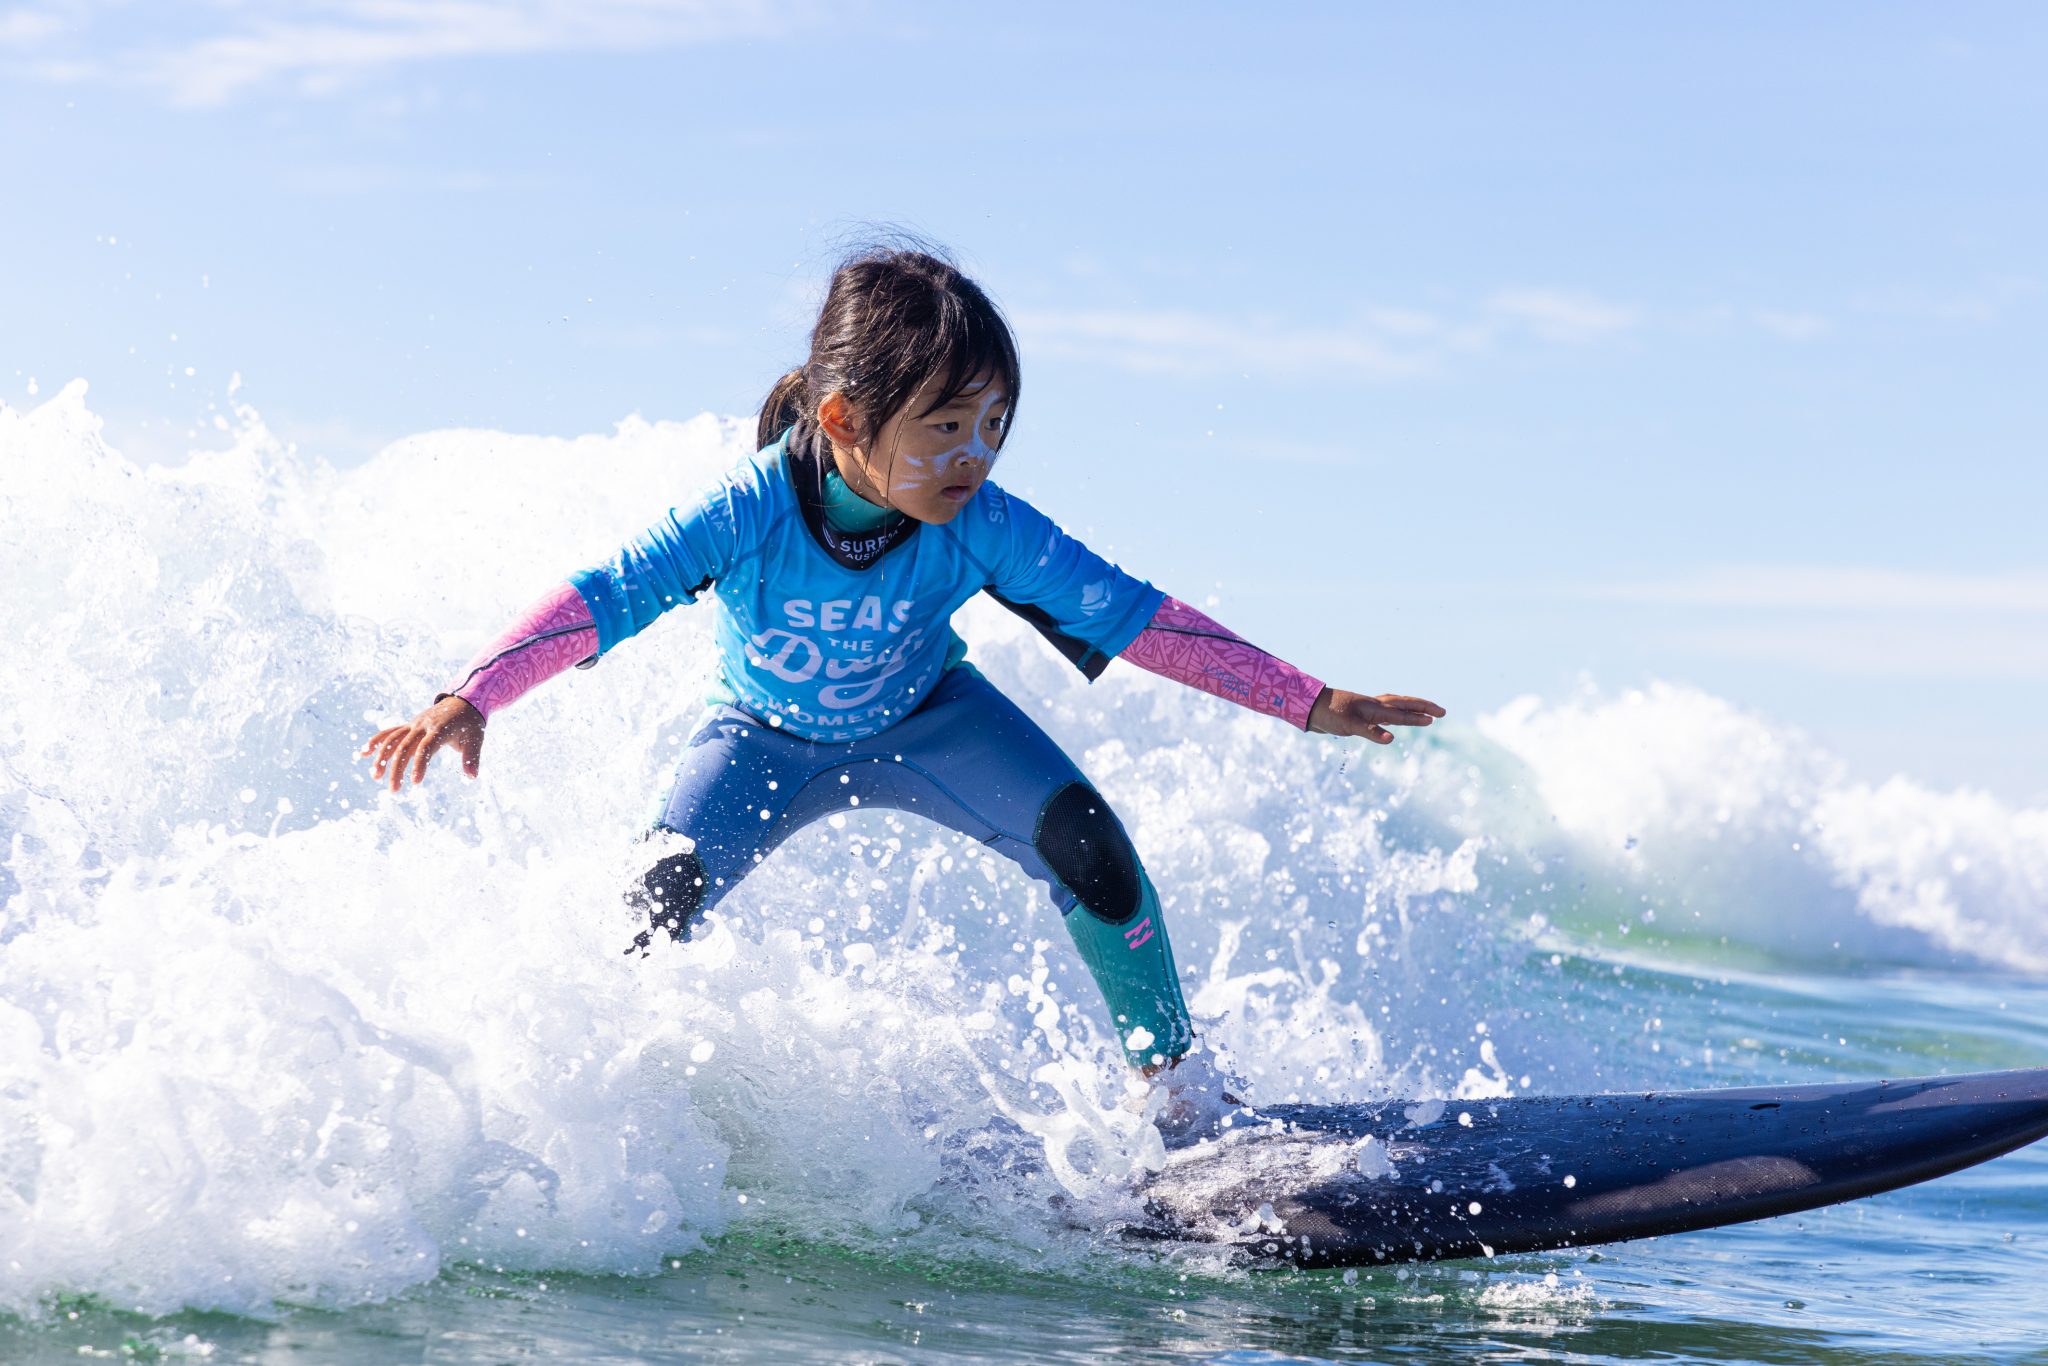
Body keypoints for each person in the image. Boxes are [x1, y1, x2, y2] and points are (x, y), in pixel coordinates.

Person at [360, 244, 1444, 1095]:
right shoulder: (746, 509)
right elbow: (608, 593)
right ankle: (589, 1099)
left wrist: (1304, 699)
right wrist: (470, 695)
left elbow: (1131, 615)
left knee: (1091, 851)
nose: (972, 456)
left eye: (991, 425)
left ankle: (1177, 1097)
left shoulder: (984, 523)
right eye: (943, 428)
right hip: (757, 741)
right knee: (649, 898)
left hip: (931, 721)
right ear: (842, 420)